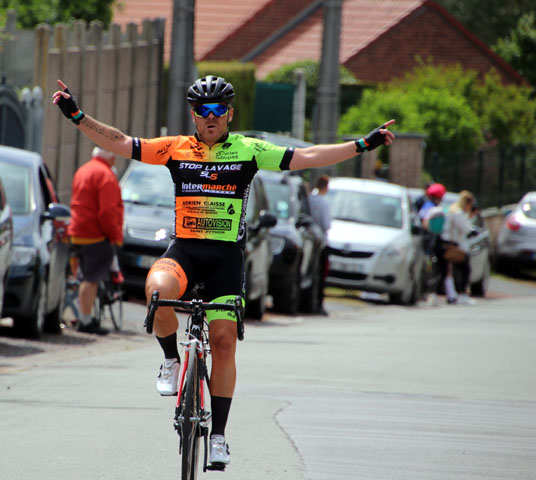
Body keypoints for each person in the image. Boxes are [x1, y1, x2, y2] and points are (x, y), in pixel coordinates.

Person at [52, 75, 395, 465]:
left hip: (225, 259)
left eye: (218, 110)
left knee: (224, 340)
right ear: (194, 115)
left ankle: (218, 435)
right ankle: (170, 358)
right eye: (203, 110)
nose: (210, 117)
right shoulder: (176, 148)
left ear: (229, 113)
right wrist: (76, 115)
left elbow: (311, 156)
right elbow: (118, 141)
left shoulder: (249, 150)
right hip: (184, 250)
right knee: (156, 291)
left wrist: (363, 144)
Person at [68, 146, 124, 335]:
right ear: (111, 156)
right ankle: (85, 321)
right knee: (91, 280)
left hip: (78, 231)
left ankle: (84, 317)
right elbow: (107, 212)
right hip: (95, 235)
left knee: (84, 277)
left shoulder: (83, 170)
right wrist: (115, 236)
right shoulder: (105, 175)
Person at [442, 190, 477, 305]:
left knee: (449, 271)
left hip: (447, 242)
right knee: (464, 270)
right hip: (455, 245)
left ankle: (452, 295)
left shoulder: (451, 210)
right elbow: (466, 229)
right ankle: (461, 294)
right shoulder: (458, 213)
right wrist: (473, 230)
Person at [309, 174, 331, 314]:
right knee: (321, 273)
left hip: (310, 239)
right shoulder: (323, 202)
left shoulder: (309, 199)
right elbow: (326, 224)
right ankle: (318, 303)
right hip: (321, 241)